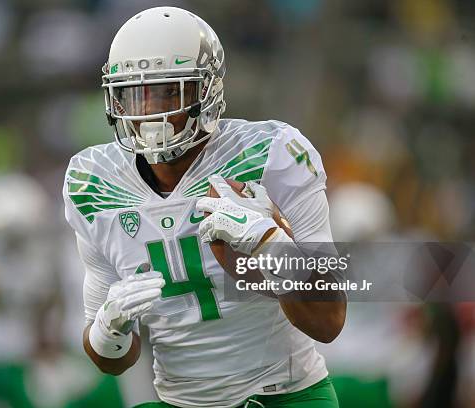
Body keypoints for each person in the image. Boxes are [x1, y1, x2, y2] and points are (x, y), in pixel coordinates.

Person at [63, 7, 346, 408]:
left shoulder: (271, 155)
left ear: (206, 92)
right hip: (180, 401)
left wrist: (269, 243)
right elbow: (110, 361)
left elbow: (329, 319)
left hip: (284, 397)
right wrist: (110, 327)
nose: (148, 114)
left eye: (167, 92)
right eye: (134, 95)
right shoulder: (94, 181)